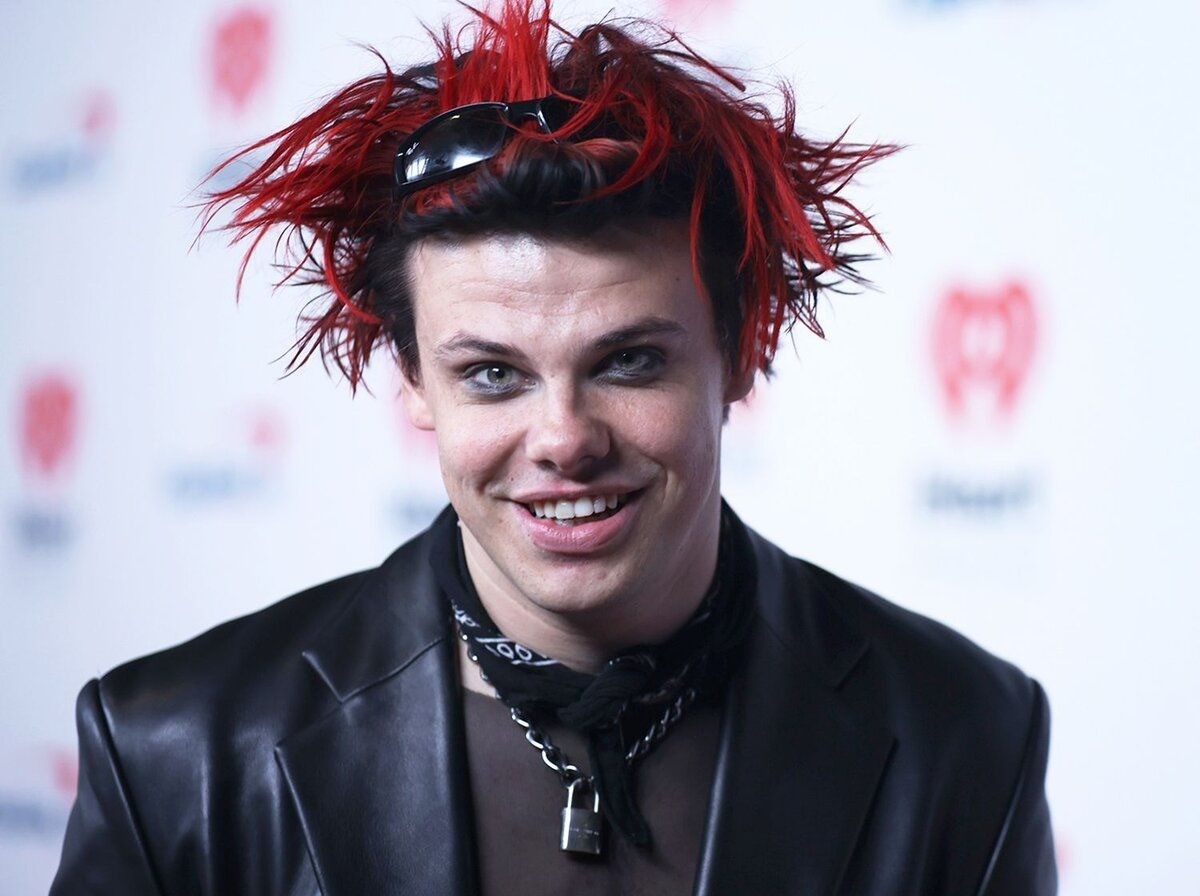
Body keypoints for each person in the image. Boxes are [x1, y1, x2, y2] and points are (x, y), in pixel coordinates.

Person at [49, 1, 1057, 893]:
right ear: (414, 381)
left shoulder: (965, 733)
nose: (564, 438)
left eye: (629, 362)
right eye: (493, 374)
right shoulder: (172, 751)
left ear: (742, 350)